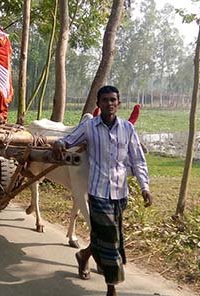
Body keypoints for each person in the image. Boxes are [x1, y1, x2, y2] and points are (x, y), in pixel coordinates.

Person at [52, 85, 153, 296]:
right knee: (110, 240)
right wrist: (60, 144)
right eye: (105, 100)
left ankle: (84, 255)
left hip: (120, 194)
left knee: (102, 236)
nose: (109, 103)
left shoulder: (128, 129)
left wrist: (145, 187)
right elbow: (69, 139)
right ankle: (111, 287)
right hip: (98, 192)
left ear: (119, 103)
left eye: (113, 100)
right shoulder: (89, 127)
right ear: (98, 104)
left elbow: (138, 160)